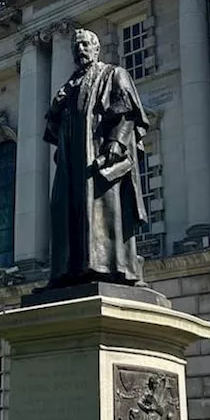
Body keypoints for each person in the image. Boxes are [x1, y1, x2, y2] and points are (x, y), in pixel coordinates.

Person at [44, 27, 151, 289]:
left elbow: (128, 111)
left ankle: (113, 267)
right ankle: (69, 270)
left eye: (84, 45)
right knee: (66, 211)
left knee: (105, 214)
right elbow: (52, 131)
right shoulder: (68, 87)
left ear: (96, 48)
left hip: (99, 159)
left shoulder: (113, 74)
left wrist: (116, 142)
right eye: (76, 46)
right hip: (72, 163)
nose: (80, 50)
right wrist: (56, 108)